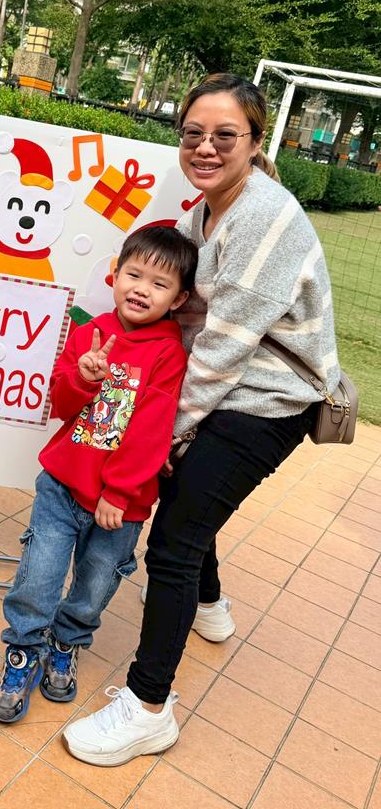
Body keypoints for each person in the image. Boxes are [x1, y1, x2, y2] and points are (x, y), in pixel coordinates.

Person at [63, 73, 340, 766]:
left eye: (224, 135)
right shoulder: (203, 214)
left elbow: (221, 348)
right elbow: (183, 315)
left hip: (268, 399)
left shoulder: (264, 216)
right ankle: (209, 604)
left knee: (174, 540)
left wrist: (166, 434)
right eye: (193, 133)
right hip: (223, 383)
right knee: (189, 498)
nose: (205, 147)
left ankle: (147, 707)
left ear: (255, 141)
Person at [0, 226, 198, 723]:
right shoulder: (91, 333)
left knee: (96, 584)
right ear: (115, 274)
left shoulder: (169, 353)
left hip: (121, 504)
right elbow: (61, 405)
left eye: (159, 284)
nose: (141, 289)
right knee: (39, 574)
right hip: (62, 486)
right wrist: (82, 377)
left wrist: (119, 491)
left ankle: (66, 642)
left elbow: (152, 428)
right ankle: (23, 649)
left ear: (179, 299)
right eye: (134, 275)